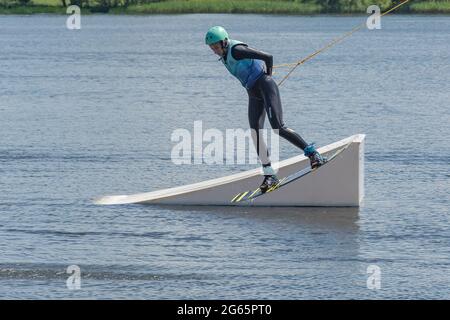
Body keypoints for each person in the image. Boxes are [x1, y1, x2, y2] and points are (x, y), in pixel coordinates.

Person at [205, 26, 325, 193]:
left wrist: (268, 77)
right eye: (212, 48)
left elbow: (268, 57)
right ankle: (270, 175)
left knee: (278, 127)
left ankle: (313, 154)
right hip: (253, 94)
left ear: (224, 42)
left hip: (265, 86)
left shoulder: (237, 50)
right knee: (255, 132)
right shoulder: (224, 55)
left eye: (216, 47)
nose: (214, 51)